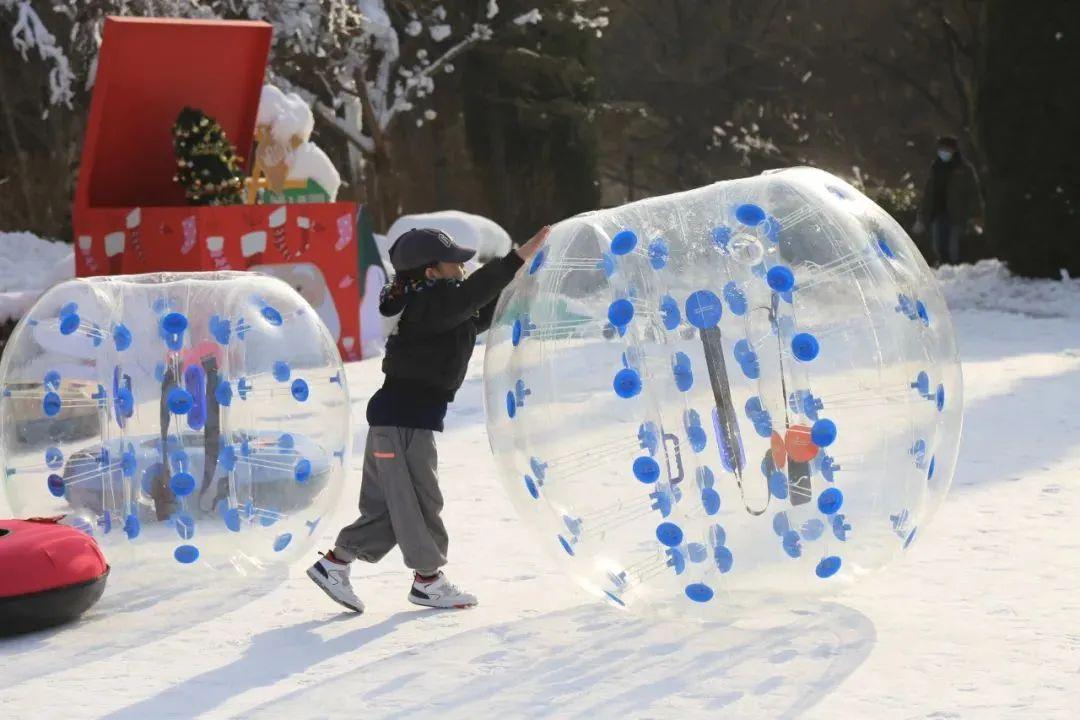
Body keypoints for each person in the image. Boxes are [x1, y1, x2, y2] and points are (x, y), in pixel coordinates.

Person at [307, 225, 549, 613]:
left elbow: (478, 312)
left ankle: (335, 564)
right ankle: (428, 581)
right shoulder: (430, 305)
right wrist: (515, 260)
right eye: (454, 262)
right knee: (420, 500)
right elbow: (472, 297)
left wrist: (520, 283)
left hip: (399, 421)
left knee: (390, 509)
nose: (462, 268)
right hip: (402, 423)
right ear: (431, 272)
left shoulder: (440, 308)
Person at [913, 135, 985, 266]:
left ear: (954, 150)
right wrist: (921, 216)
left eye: (947, 149)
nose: (944, 152)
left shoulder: (964, 169)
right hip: (938, 214)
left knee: (955, 248)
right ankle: (943, 267)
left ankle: (955, 270)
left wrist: (976, 215)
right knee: (939, 246)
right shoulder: (936, 167)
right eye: (941, 149)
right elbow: (928, 194)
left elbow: (974, 193)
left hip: (958, 215)